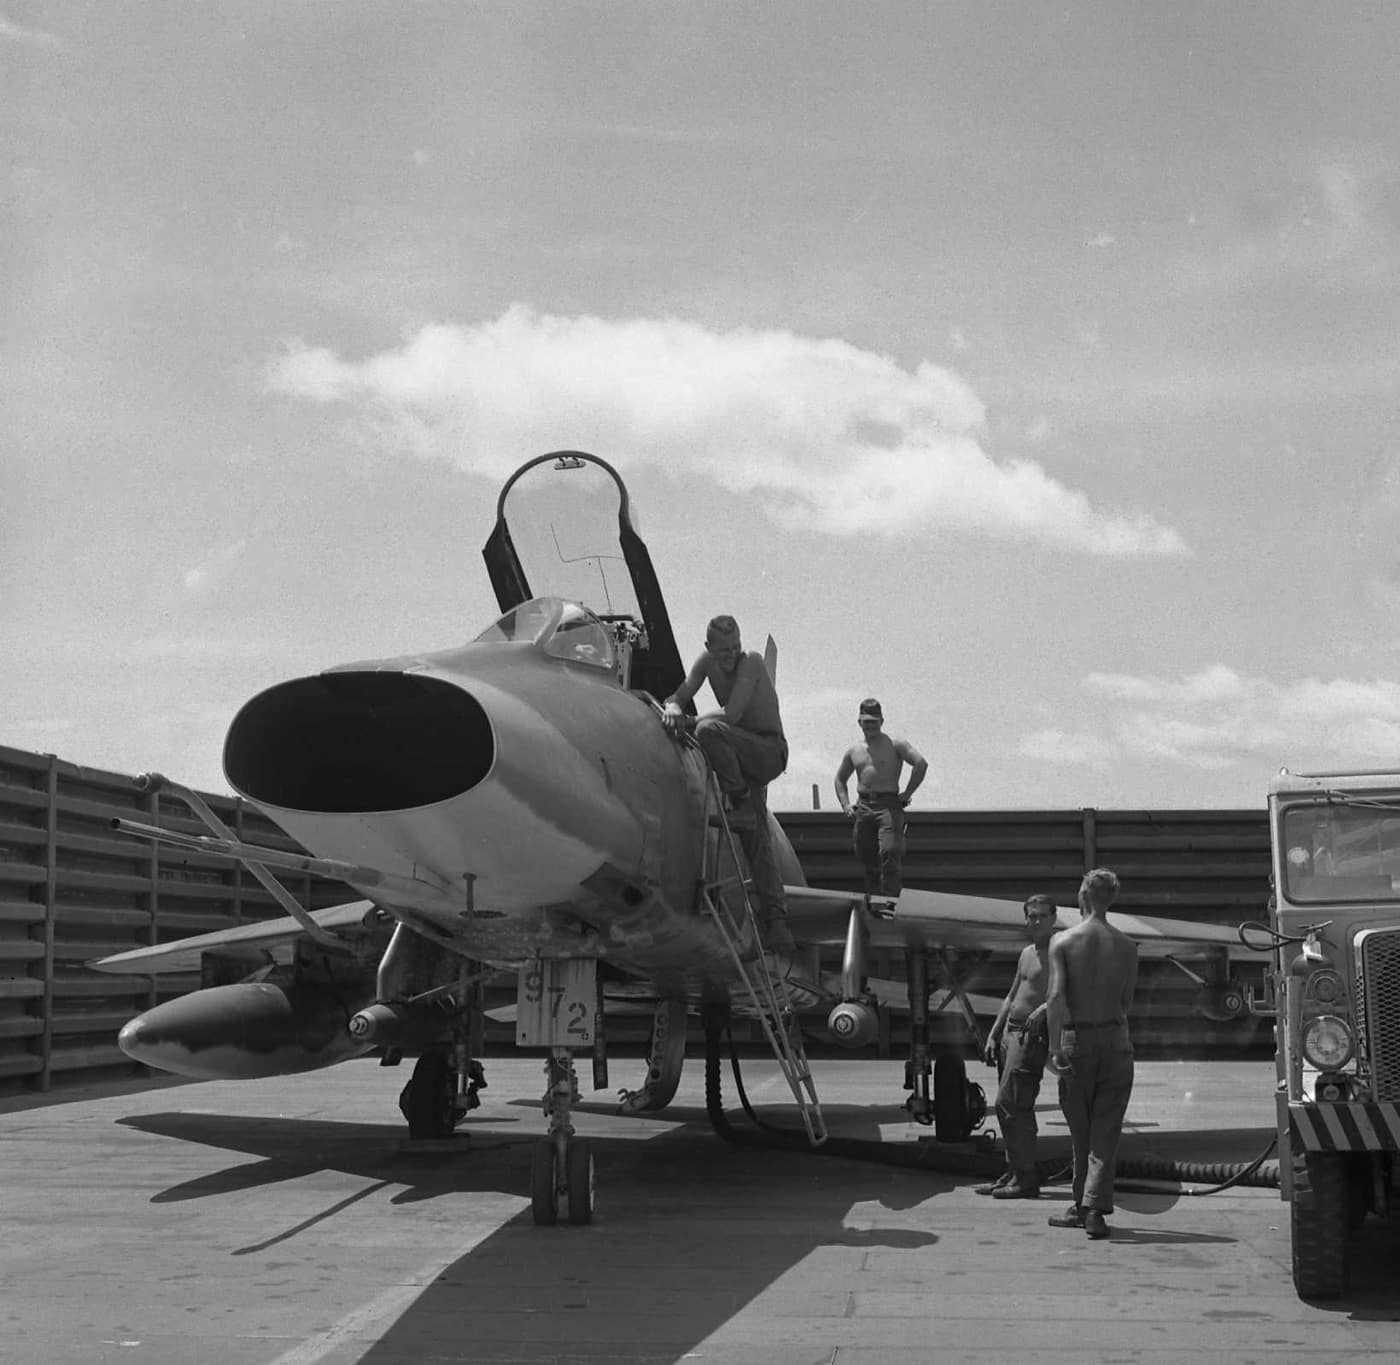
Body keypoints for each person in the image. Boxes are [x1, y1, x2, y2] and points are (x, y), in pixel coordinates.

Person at [662, 615, 791, 947]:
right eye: (723, 651)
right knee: (755, 834)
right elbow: (680, 693)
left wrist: (686, 720)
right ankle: (776, 920)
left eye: (735, 646)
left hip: (766, 750)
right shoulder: (706, 662)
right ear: (708, 648)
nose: (730, 655)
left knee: (707, 730)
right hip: (739, 752)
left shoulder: (751, 662)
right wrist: (672, 706)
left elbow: (731, 715)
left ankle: (740, 798)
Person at [1045, 867, 1139, 1240]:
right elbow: (1126, 1001)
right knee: (1106, 1131)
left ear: (1082, 895)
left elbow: (1054, 997)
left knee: (1080, 1131)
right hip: (1117, 1042)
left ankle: (1084, 1207)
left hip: (1077, 1040)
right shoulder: (1128, 946)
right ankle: (1091, 1208)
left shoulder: (1064, 942)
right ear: (1111, 899)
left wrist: (1053, 1048)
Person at [975, 893, 1060, 1199]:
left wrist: (1041, 1014)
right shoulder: (1026, 953)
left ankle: (1026, 1177)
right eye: (1031, 915)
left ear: (1053, 918)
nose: (1035, 921)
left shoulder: (1057, 952)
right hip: (1010, 1033)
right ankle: (1014, 1171)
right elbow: (1012, 995)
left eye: (1041, 915)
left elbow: (1061, 993)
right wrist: (993, 1033)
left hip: (1031, 1035)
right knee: (1012, 1108)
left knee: (1010, 1104)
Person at [833, 699, 927, 900]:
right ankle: (874, 903)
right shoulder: (854, 751)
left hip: (889, 805)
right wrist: (846, 804)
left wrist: (907, 793)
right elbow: (840, 779)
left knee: (889, 852)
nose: (870, 725)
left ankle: (890, 902)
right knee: (867, 857)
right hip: (864, 806)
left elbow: (920, 764)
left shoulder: (895, 744)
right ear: (859, 722)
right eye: (866, 721)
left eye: (874, 721)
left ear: (882, 721)